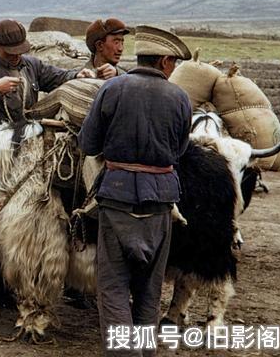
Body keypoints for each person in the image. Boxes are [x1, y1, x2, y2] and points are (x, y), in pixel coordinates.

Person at [77, 25, 192, 356]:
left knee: (113, 288)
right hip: (161, 202)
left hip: (117, 196)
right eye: (174, 64)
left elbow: (88, 143)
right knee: (149, 289)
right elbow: (180, 150)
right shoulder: (180, 97)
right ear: (165, 61)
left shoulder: (112, 89)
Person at [0, 19, 79, 318]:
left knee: (16, 225)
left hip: (26, 156)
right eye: (10, 50)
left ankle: (3, 289)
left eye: (19, 50)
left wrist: (82, 73)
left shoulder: (30, 66)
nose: (16, 55)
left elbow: (60, 77)